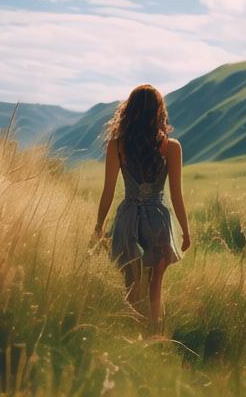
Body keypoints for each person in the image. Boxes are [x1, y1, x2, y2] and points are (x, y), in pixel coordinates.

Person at [93, 84, 191, 334]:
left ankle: (132, 334)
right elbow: (177, 195)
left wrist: (99, 225)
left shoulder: (117, 146)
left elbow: (108, 191)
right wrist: (186, 231)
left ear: (130, 110)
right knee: (155, 284)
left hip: (128, 217)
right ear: (159, 111)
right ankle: (156, 335)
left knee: (132, 282)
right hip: (158, 219)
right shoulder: (172, 147)